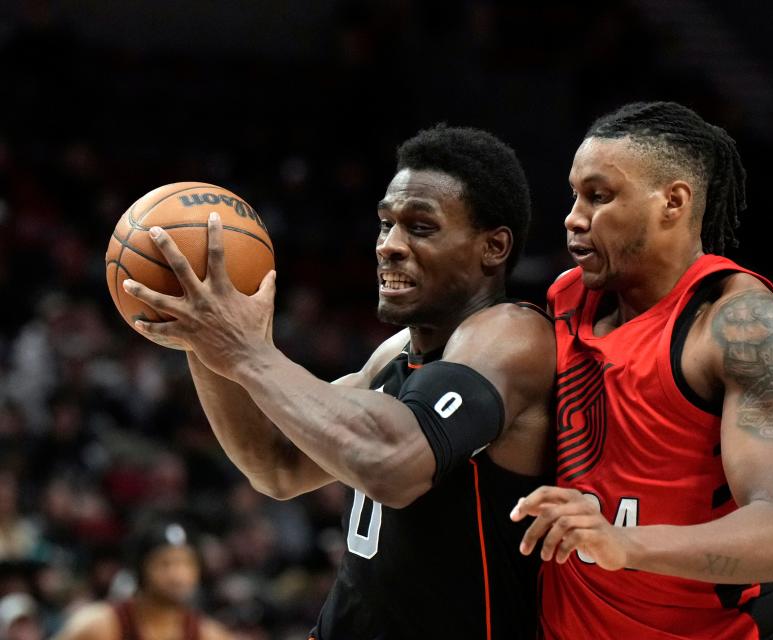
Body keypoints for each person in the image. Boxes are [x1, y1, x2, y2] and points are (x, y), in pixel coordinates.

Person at [122, 125, 555, 639]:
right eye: (385, 224)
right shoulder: (392, 356)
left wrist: (245, 351)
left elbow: (394, 463)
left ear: (493, 246)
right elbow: (276, 465)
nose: (389, 246)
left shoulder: (515, 335)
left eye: (420, 227)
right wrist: (203, 335)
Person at [510, 101, 773, 639]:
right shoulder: (566, 297)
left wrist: (624, 543)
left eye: (599, 196)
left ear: (673, 202)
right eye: (575, 194)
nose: (573, 217)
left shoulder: (740, 325)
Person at [52, 514, 230, 640]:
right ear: (141, 569)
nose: (178, 575)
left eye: (186, 564)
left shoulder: (210, 634)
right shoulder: (99, 626)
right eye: (165, 564)